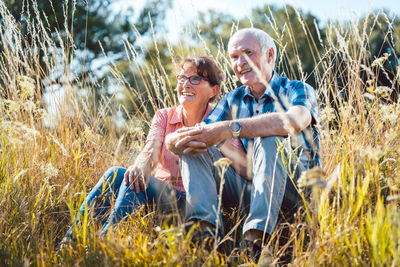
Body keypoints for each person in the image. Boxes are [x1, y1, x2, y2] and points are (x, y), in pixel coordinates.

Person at [166, 28, 320, 262]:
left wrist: (229, 128)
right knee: (195, 147)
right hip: (253, 188)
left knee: (270, 138)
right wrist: (178, 142)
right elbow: (199, 133)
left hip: (298, 192)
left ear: (269, 55)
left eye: (248, 53)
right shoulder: (232, 98)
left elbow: (294, 120)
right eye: (234, 57)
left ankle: (254, 242)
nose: (240, 63)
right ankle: (204, 239)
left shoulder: (296, 89)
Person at [62, 55, 248, 240]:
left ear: (213, 90)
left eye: (196, 78)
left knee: (138, 185)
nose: (186, 84)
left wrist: (218, 139)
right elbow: (150, 150)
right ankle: (71, 241)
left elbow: (241, 168)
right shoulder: (164, 116)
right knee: (117, 174)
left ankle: (105, 243)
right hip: (160, 195)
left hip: (194, 205)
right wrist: (140, 166)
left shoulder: (221, 121)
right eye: (182, 78)